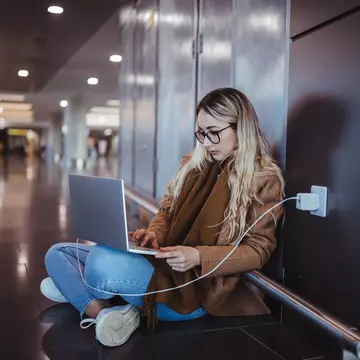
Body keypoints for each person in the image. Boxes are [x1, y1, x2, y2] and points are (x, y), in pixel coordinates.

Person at [41, 88, 285, 347]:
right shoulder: (193, 164)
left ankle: (82, 291)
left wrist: (198, 256)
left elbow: (259, 250)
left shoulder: (263, 178)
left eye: (214, 132)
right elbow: (166, 211)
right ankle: (102, 312)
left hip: (196, 290)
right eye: (201, 133)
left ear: (241, 127)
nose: (206, 142)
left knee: (101, 264)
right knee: (56, 253)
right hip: (163, 261)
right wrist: (154, 234)